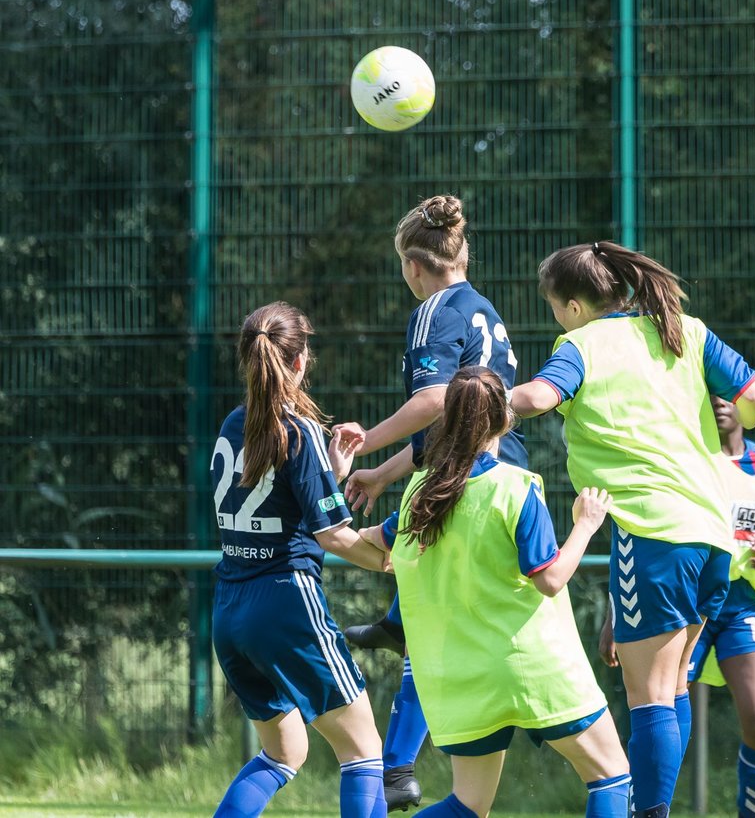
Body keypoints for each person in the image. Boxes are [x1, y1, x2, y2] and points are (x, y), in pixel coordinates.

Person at [510, 240, 755, 818]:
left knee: (649, 697)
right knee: (673, 687)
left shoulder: (581, 344)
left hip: (652, 532)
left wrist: (475, 406)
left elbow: (537, 395)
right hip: (711, 534)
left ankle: (648, 812)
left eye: (555, 306)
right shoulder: (686, 330)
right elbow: (753, 399)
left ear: (573, 306)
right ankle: (654, 809)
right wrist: (739, 417)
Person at [361, 366, 630, 818]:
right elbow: (550, 579)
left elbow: (368, 540)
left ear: (444, 420)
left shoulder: (419, 493)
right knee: (611, 775)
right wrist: (586, 524)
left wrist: (318, 519)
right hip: (533, 669)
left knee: (467, 806)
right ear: (506, 419)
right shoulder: (517, 488)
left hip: (464, 678)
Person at [332, 195, 529, 810]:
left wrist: (366, 441)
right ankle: (399, 763)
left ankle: (392, 767)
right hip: (503, 475)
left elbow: (435, 403)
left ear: (414, 266)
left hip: (456, 482)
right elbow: (463, 419)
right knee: (438, 618)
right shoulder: (485, 311)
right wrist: (387, 472)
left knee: (362, 552)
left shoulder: (433, 311)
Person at [209, 301, 391, 818]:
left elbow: (270, 499)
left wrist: (329, 471)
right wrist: (391, 564)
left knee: (284, 751)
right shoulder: (298, 429)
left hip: (230, 608)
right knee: (362, 749)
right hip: (286, 603)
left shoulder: (233, 424)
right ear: (300, 359)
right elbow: (334, 536)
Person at [598, 394, 755, 818]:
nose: (722, 405)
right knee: (660, 703)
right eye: (711, 398)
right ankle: (648, 807)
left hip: (747, 601)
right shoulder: (684, 462)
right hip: (687, 596)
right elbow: (643, 531)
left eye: (731, 397)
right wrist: (618, 607)